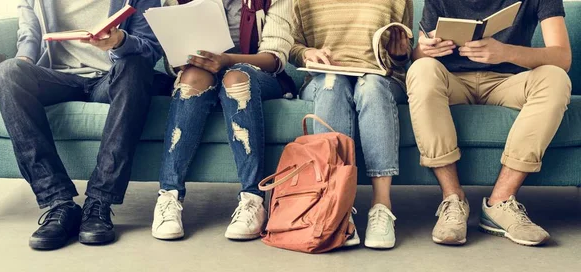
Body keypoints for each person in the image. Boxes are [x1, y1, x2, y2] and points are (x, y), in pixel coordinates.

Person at [0, 0, 163, 250]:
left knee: (136, 66)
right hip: (57, 78)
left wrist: (120, 41)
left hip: (111, 78)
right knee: (7, 72)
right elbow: (29, 36)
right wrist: (24, 63)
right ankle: (59, 203)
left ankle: (99, 202)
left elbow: (151, 49)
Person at [408, 0, 572, 246]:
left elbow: (562, 57)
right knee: (421, 70)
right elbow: (418, 56)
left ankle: (500, 202)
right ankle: (452, 199)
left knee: (556, 78)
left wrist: (505, 52)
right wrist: (424, 49)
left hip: (508, 82)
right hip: (451, 81)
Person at [151, 0, 294, 241]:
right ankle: (168, 195)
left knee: (236, 79)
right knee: (191, 79)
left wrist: (226, 60)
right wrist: (182, 59)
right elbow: (170, 57)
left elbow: (275, 58)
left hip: (256, 74)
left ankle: (253, 199)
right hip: (203, 71)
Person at [290, 0, 413, 249]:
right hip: (325, 77)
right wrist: (306, 53)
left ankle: (381, 206)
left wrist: (400, 53)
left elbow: (404, 55)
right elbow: (292, 48)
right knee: (332, 86)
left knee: (372, 88)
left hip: (379, 78)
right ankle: (337, 206)